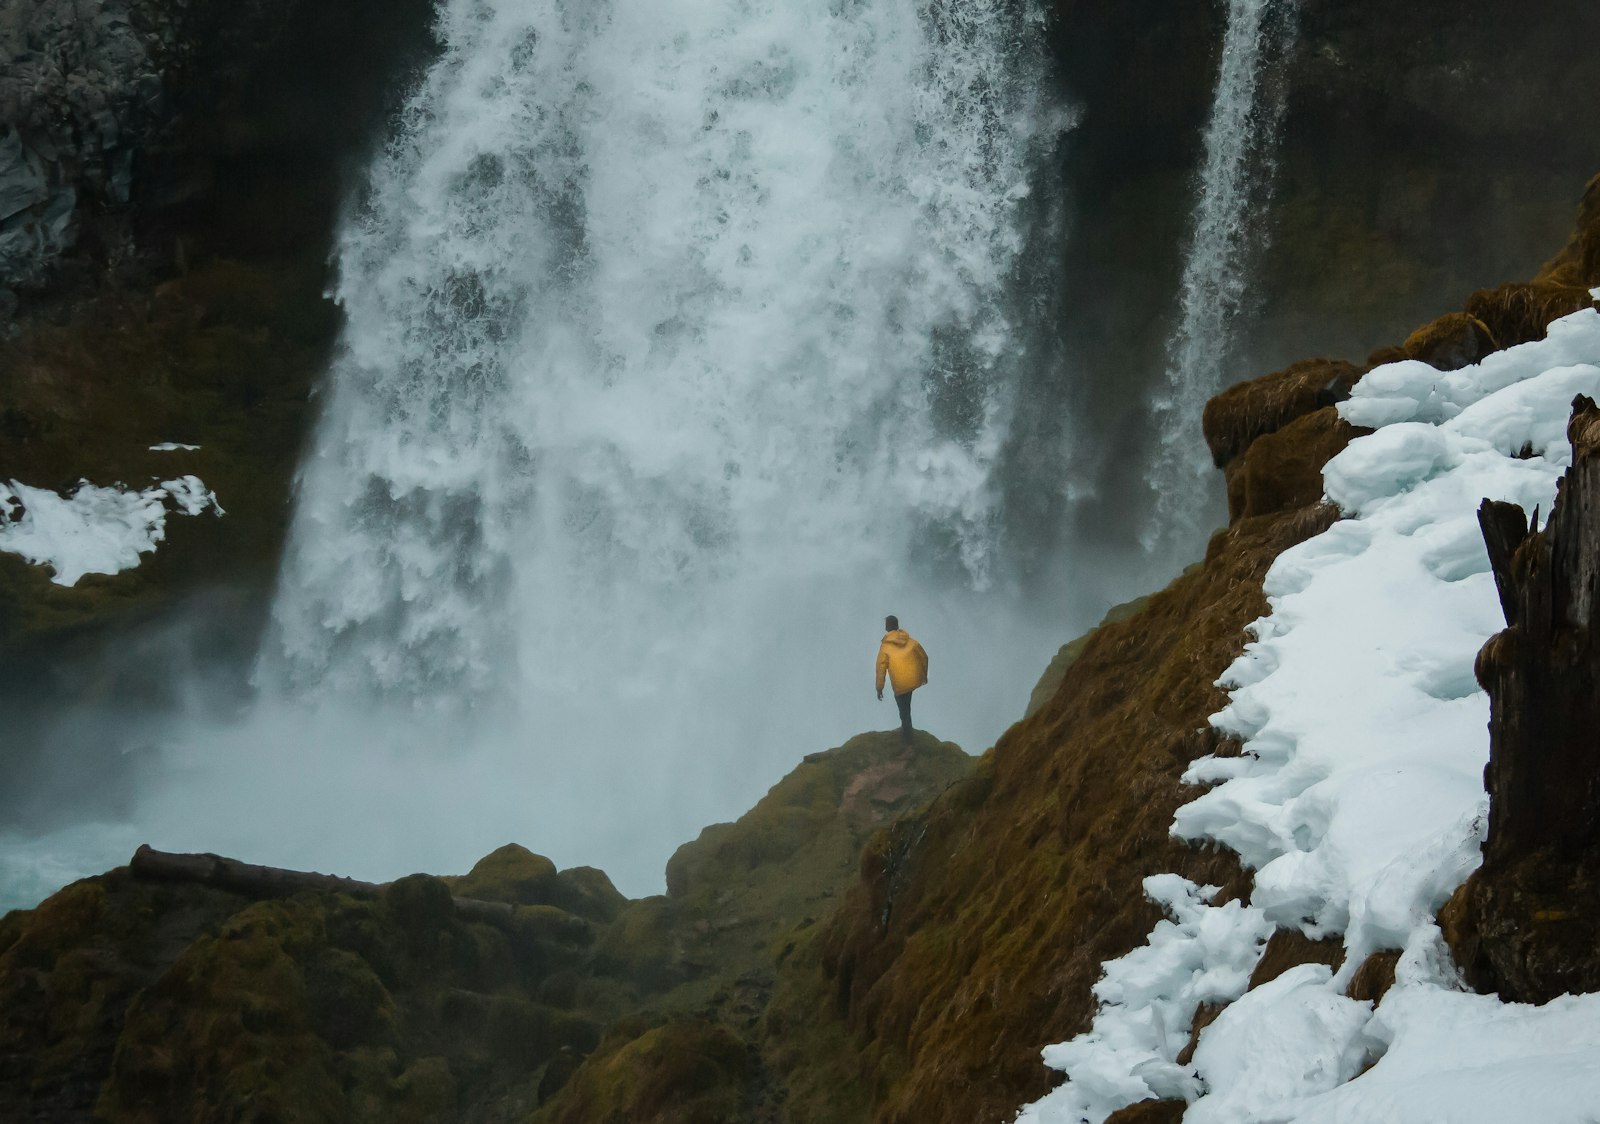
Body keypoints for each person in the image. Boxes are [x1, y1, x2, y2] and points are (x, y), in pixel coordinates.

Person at [875, 615, 928, 750]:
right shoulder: (910, 641)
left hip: (900, 684)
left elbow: (881, 668)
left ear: (888, 626)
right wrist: (923, 675)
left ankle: (908, 741)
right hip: (912, 681)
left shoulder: (885, 647)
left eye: (886, 624)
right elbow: (924, 657)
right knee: (906, 708)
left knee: (903, 711)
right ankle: (907, 730)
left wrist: (879, 688)